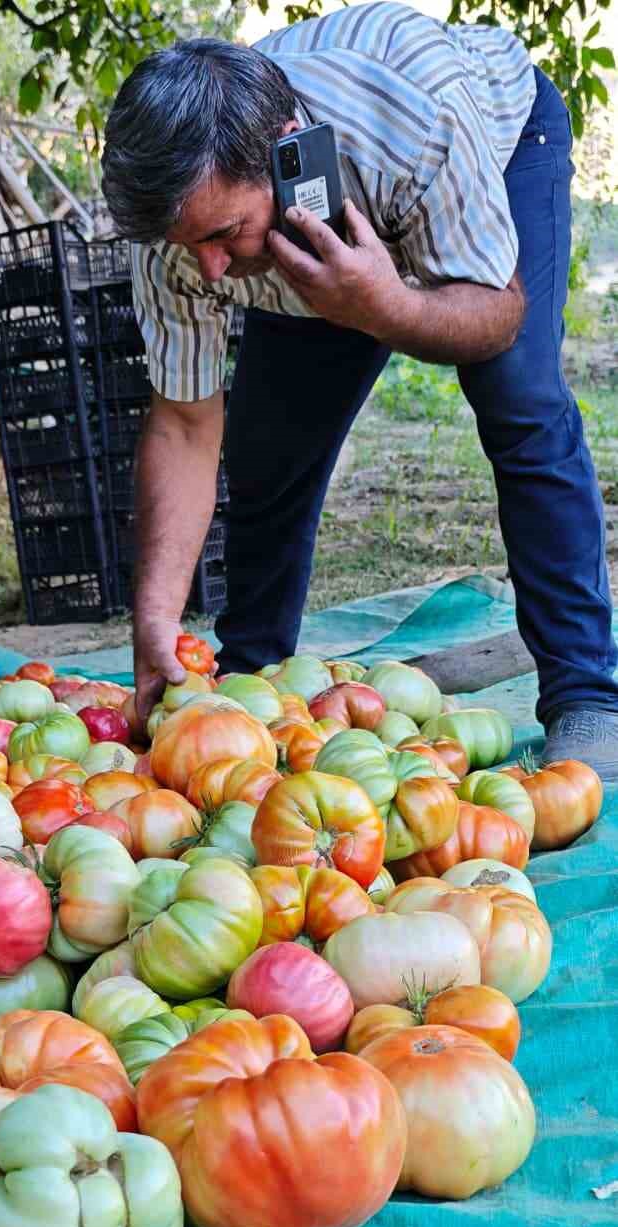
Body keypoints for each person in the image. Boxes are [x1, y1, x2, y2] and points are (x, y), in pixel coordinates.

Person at [101, 2, 618, 776]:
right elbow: (183, 424)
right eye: (190, 244)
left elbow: (498, 314)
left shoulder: (414, 120)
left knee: (522, 405)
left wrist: (381, 306)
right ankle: (252, 680)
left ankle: (587, 694)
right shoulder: (182, 220)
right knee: (269, 452)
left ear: (282, 155)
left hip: (504, 146)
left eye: (220, 237)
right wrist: (155, 619)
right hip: (329, 241)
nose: (207, 269)